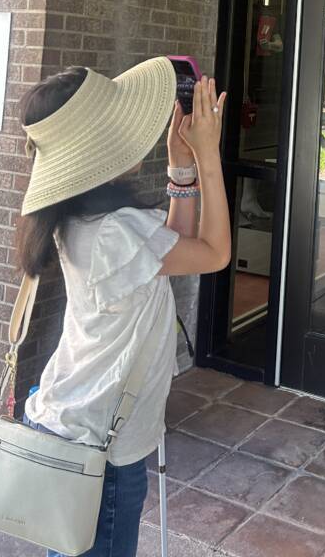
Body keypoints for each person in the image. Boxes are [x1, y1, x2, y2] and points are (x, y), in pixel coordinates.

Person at [16, 59, 231, 557]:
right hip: (102, 448)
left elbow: (172, 247)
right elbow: (215, 252)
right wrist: (208, 157)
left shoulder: (87, 220)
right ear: (97, 148)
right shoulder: (114, 230)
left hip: (80, 423)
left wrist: (182, 166)